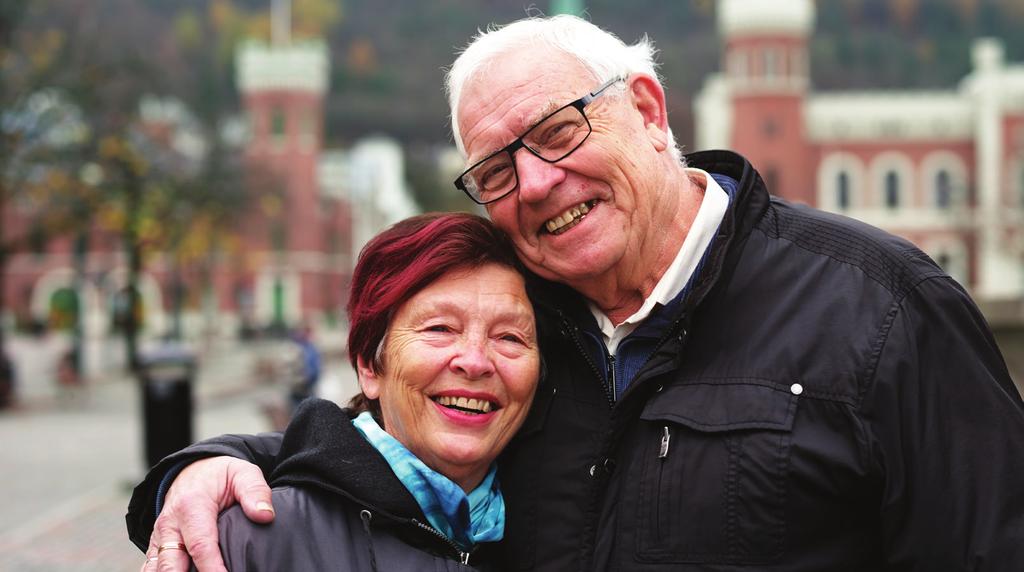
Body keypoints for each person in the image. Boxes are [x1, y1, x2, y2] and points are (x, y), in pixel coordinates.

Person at [128, 15, 1024, 571]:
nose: (536, 181)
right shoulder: (519, 321)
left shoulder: (883, 310)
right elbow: (378, 443)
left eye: (557, 130)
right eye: (495, 168)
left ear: (647, 107)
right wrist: (206, 463)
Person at [157, 213, 539, 570]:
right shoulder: (247, 543)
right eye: (439, 329)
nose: (475, 361)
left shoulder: (566, 525)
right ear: (369, 365)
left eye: (509, 336)